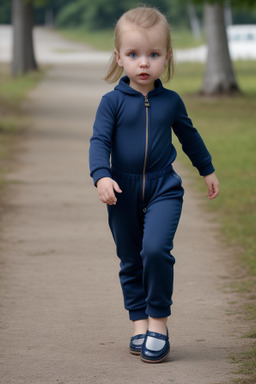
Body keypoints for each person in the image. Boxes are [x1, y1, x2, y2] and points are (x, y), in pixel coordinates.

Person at [89, 6, 219, 363]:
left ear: (167, 57)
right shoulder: (111, 103)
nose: (143, 63)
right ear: (119, 58)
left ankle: (158, 322)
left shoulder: (171, 102)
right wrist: (102, 175)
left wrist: (207, 170)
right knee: (130, 258)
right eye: (133, 55)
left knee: (155, 251)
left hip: (164, 187)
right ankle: (139, 321)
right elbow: (99, 142)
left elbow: (189, 138)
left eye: (153, 54)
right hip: (122, 190)